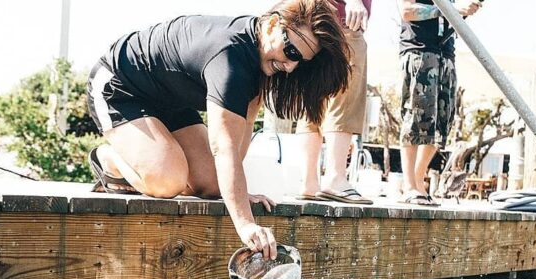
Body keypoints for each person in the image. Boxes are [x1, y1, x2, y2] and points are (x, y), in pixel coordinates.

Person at [86, 0, 351, 260]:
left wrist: (237, 193)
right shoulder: (229, 58)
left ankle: (153, 156)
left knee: (213, 184)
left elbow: (240, 136)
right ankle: (109, 160)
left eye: (300, 62)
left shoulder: (259, 64)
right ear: (272, 24)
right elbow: (223, 148)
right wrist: (246, 223)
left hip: (169, 101)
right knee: (168, 179)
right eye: (292, 52)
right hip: (120, 87)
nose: (291, 66)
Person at [397, 0, 482, 206]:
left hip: (446, 55)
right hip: (419, 51)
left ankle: (418, 181)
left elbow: (449, 21)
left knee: (441, 125)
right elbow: (406, 11)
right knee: (415, 121)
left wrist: (463, 12)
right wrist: (449, 10)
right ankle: (409, 186)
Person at [295, 0, 373, 205]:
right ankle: (335, 178)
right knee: (344, 99)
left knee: (312, 103)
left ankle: (308, 181)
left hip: (312, 22)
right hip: (342, 23)